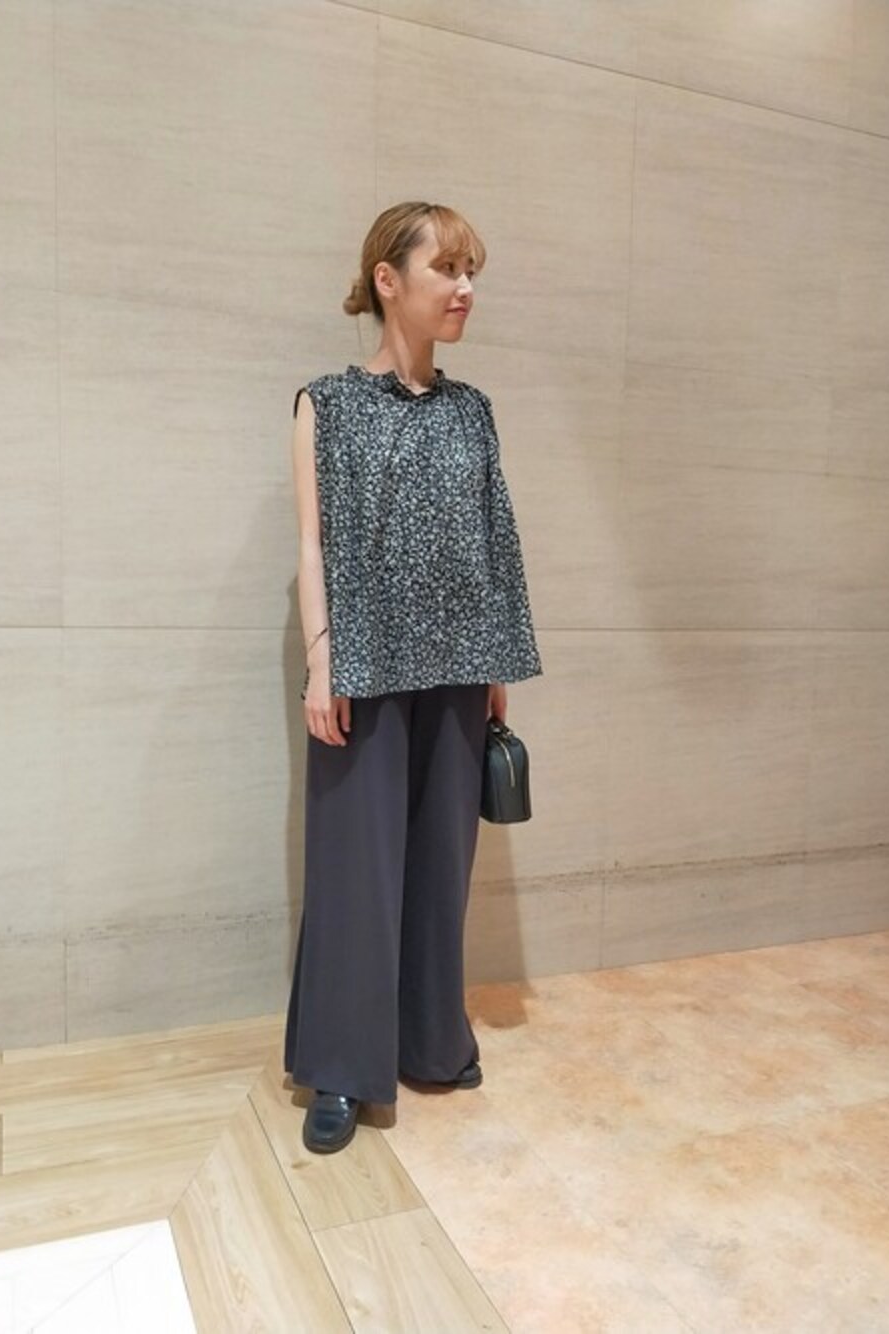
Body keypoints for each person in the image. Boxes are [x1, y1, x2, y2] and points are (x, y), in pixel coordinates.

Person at [283, 201, 543, 1153]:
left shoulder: (474, 411)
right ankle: (340, 1067)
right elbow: (312, 545)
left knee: (441, 867)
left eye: (472, 272)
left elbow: (496, 542)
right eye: (448, 269)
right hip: (365, 665)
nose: (465, 288)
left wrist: (498, 661)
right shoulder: (325, 403)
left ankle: (432, 1039)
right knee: (355, 872)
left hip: (461, 669)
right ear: (388, 281)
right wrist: (322, 659)